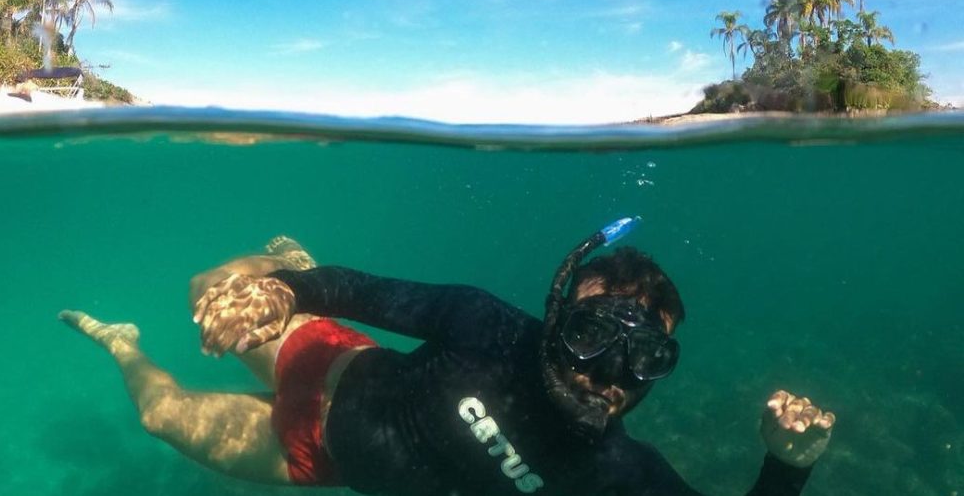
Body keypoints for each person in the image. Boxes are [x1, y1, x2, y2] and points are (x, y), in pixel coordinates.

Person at [61, 220, 835, 495]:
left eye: (644, 358)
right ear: (556, 316)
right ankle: (288, 257)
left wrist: (786, 465)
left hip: (320, 458)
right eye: (592, 334)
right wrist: (289, 288)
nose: (607, 372)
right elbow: (362, 290)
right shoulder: (484, 324)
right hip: (334, 366)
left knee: (161, 415)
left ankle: (117, 340)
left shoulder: (618, 473)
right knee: (212, 285)